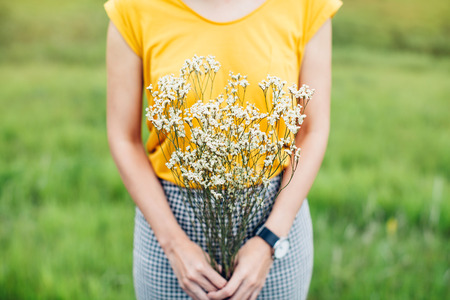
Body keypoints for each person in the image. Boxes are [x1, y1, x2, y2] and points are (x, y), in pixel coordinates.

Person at [104, 0, 342, 299]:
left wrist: (269, 240)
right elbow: (124, 137)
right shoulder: (133, 8)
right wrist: (174, 244)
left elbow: (312, 131)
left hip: (274, 217)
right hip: (170, 219)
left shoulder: (306, 5)